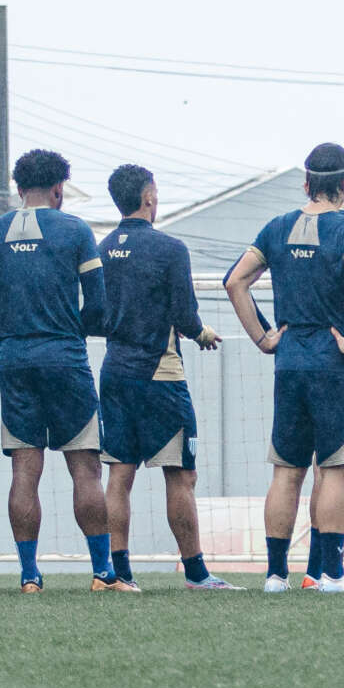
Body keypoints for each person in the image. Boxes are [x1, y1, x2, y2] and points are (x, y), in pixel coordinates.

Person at [222, 143, 344, 594]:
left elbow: (234, 282)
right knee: (334, 469)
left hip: (288, 362)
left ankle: (274, 577)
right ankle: (330, 573)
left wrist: (264, 336)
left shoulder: (276, 227)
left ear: (306, 183)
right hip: (333, 366)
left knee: (286, 471)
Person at [0, 151, 113, 591]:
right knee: (86, 470)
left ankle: (30, 576)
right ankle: (103, 573)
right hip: (65, 356)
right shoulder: (74, 230)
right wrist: (73, 329)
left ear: (18, 188)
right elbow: (99, 305)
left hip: (14, 357)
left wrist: (17, 328)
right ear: (59, 190)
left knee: (24, 471)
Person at [94, 163, 231, 592]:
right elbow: (185, 316)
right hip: (160, 373)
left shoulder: (101, 247)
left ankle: (119, 575)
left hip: (114, 370)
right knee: (180, 475)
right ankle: (196, 574)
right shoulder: (170, 249)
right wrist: (203, 333)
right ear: (149, 197)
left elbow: (95, 314)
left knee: (120, 474)